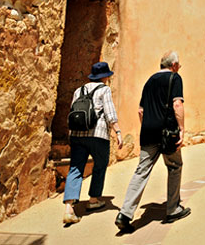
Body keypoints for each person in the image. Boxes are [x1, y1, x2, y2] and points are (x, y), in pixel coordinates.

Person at [115, 50, 191, 232]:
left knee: (141, 171)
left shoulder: (149, 81)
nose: (179, 68)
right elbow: (177, 104)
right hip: (167, 133)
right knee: (174, 166)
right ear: (173, 65)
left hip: (148, 132)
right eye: (178, 65)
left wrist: (149, 126)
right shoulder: (175, 78)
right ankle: (173, 209)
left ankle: (125, 213)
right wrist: (181, 128)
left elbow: (141, 111)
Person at [63, 61, 123, 225]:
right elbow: (110, 112)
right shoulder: (104, 90)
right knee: (100, 165)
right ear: (104, 77)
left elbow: (72, 111)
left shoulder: (78, 90)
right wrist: (117, 132)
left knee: (75, 167)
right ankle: (94, 199)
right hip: (98, 134)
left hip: (77, 134)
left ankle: (69, 207)